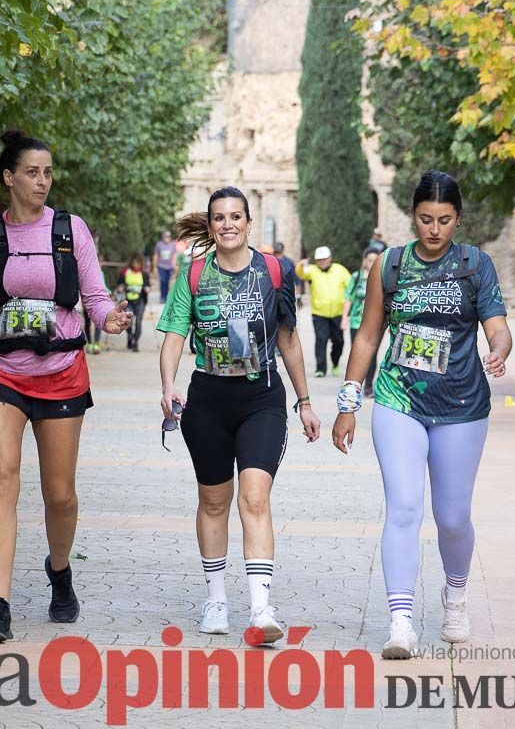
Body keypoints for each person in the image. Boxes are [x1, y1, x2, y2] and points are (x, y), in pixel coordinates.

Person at [0, 130, 132, 643]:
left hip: (61, 371)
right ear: (9, 177)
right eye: (32, 172)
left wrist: (110, 317)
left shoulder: (71, 231)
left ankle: (59, 570)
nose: (42, 181)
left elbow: (93, 296)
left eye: (48, 172)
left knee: (60, 494)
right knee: (1, 479)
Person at [331, 171, 512, 660]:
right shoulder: (389, 266)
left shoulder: (476, 266)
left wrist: (498, 349)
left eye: (445, 220)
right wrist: (348, 404)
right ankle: (401, 621)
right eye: (426, 219)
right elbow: (368, 336)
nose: (435, 230)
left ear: (458, 219)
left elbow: (497, 326)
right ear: (413, 216)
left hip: (461, 406)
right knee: (405, 508)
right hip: (398, 400)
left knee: (452, 517)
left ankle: (455, 595)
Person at [157, 186, 321, 643]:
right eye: (219, 218)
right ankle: (215, 599)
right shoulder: (192, 275)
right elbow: (173, 336)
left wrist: (304, 400)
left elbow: (288, 339)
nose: (227, 225)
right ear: (210, 226)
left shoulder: (274, 271)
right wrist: (168, 384)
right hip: (207, 398)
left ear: (249, 222)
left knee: (254, 498)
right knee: (213, 502)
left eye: (236, 217)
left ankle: (261, 608)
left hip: (261, 398)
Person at [296, 247, 351, 377]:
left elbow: (350, 285)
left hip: (338, 313)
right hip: (319, 313)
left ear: (330, 258)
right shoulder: (312, 270)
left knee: (339, 341)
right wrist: (301, 264)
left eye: (324, 258)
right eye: (319, 259)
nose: (322, 261)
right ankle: (320, 368)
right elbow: (300, 273)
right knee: (321, 340)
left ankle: (335, 362)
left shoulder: (340, 269)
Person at [343, 247, 381, 397]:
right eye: (370, 260)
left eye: (375, 260)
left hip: (376, 324)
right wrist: (344, 317)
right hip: (356, 322)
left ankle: (369, 386)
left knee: (373, 354)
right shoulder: (357, 277)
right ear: (365, 260)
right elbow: (348, 297)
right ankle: (355, 385)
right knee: (357, 353)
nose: (372, 263)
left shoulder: (381, 278)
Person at [117, 253, 151, 352]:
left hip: (140, 300)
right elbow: (120, 283)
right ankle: (130, 336)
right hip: (128, 300)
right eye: (134, 262)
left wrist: (147, 289)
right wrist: (120, 287)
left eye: (138, 262)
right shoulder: (125, 272)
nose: (136, 264)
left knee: (138, 321)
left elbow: (147, 285)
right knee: (128, 321)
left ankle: (136, 343)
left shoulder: (144, 273)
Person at [153, 230, 178, 303]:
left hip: (170, 266)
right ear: (163, 237)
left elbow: (174, 255)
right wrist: (154, 267)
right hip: (161, 266)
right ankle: (162, 297)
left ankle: (166, 296)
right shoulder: (159, 245)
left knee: (167, 281)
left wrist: (175, 264)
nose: (167, 238)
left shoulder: (172, 244)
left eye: (168, 237)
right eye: (165, 236)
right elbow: (156, 256)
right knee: (163, 280)